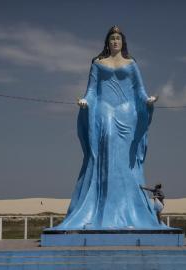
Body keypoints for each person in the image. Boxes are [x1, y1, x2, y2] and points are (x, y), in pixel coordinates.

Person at [54, 25, 163, 230]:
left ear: (123, 42)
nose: (115, 41)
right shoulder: (98, 63)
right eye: (112, 38)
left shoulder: (131, 64)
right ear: (107, 41)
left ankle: (128, 210)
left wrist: (147, 100)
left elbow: (139, 90)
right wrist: (85, 101)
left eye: (118, 38)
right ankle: (103, 210)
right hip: (105, 109)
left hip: (127, 111)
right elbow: (92, 91)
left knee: (125, 160)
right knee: (107, 148)